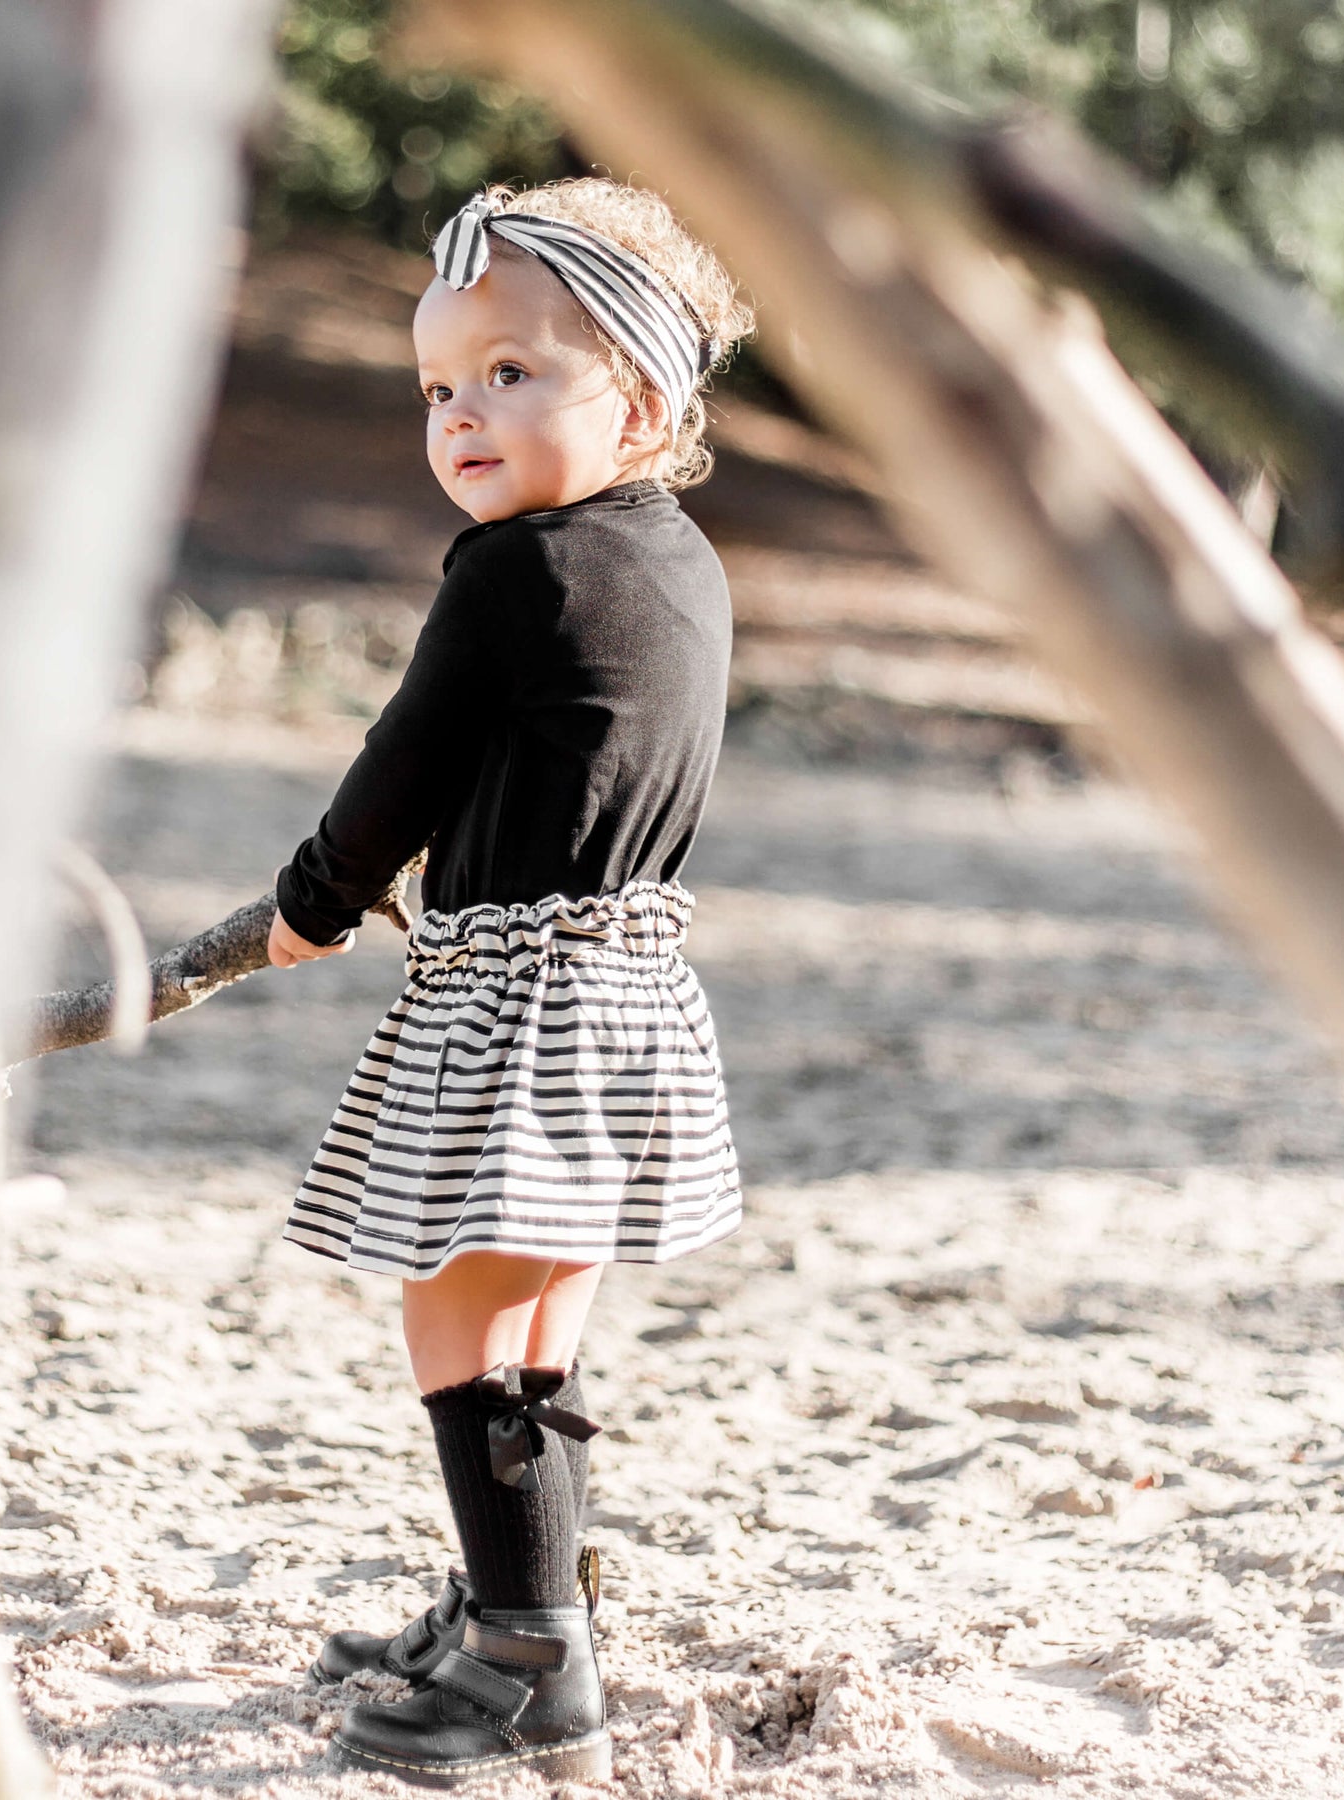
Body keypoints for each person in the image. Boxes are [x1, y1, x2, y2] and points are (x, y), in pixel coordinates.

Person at [267, 177, 753, 1787]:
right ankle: (524, 1602)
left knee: (456, 1313)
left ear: (643, 399)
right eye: (437, 388)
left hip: (518, 1006)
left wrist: (318, 898)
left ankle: (530, 1658)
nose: (461, 415)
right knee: (536, 1323)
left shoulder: (513, 572)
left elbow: (401, 763)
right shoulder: (682, 565)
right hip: (632, 998)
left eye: (511, 372)